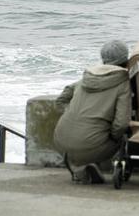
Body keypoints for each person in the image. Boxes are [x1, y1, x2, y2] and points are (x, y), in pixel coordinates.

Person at [54, 40, 131, 184]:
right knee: (123, 136)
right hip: (90, 145)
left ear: (103, 59)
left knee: (90, 137)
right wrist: (114, 137)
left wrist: (70, 114)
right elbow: (121, 124)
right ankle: (89, 165)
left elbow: (61, 98)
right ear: (126, 60)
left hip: (60, 140)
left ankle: (79, 167)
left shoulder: (88, 77)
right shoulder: (123, 83)